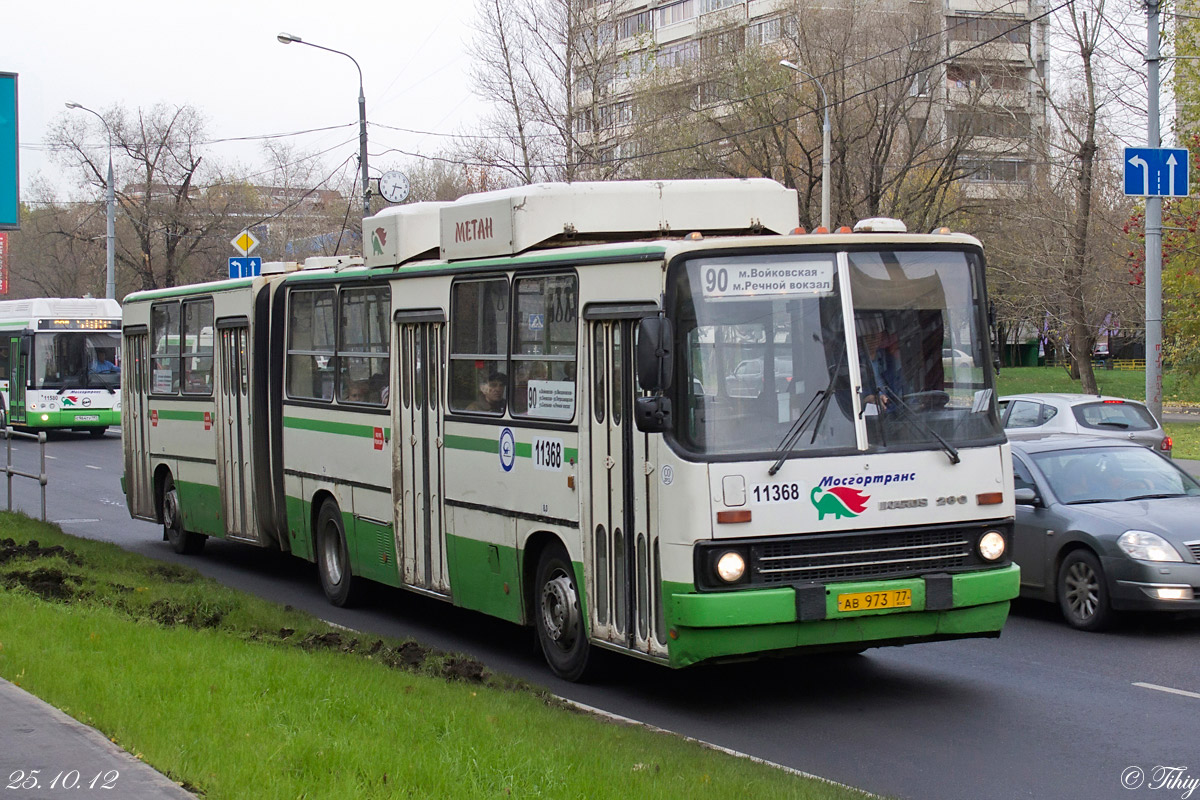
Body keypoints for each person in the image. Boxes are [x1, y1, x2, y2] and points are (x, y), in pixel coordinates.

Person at [862, 330, 906, 412]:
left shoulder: (888, 358)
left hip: (896, 414)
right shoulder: (852, 363)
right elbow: (851, 398)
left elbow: (902, 387)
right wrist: (865, 399)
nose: (874, 337)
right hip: (873, 418)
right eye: (868, 333)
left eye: (877, 331)